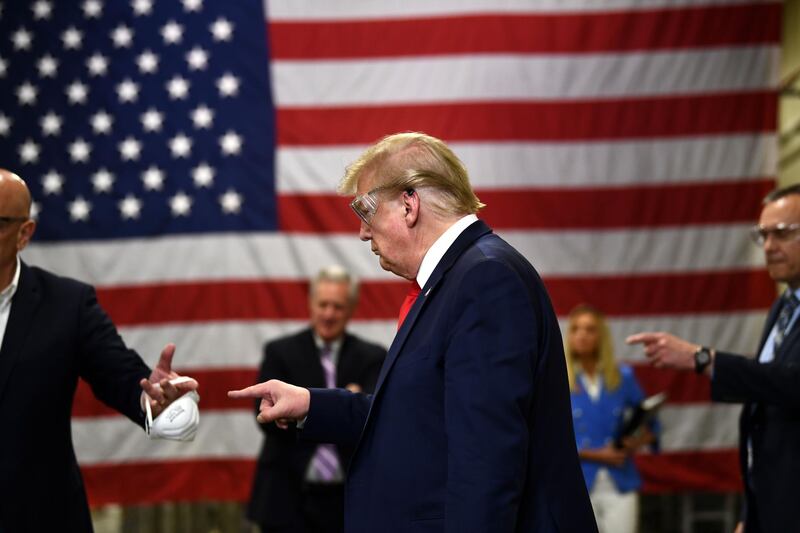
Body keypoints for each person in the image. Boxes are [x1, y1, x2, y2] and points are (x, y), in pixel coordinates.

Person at [231, 132, 598, 532]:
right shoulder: (461, 277)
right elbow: (421, 416)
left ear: (409, 204)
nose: (363, 233)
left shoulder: (485, 279)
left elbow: (486, 460)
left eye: (365, 209)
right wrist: (312, 405)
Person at [0, 169, 198, 532]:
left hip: (38, 516)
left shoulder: (65, 304)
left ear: (24, 234)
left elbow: (120, 375)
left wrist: (152, 400)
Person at [627, 184, 800, 533]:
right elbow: (765, 409)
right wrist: (751, 514)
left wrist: (703, 359)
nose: (769, 247)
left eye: (782, 233)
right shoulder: (783, 308)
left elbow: (793, 384)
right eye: (763, 235)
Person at [247, 265, 386, 533]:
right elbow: (263, 416)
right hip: (285, 499)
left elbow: (377, 417)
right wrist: (346, 404)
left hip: (350, 500)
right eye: (323, 304)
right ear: (311, 303)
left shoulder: (373, 357)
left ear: (352, 308)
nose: (329, 314)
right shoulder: (280, 353)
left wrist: (305, 410)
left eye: (337, 306)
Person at [565, 304, 657, 533]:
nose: (582, 335)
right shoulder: (558, 378)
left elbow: (648, 421)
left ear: (601, 336)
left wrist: (634, 440)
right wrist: (594, 454)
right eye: (576, 329)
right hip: (576, 483)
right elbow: (547, 437)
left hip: (620, 484)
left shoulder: (622, 377)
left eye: (589, 329)